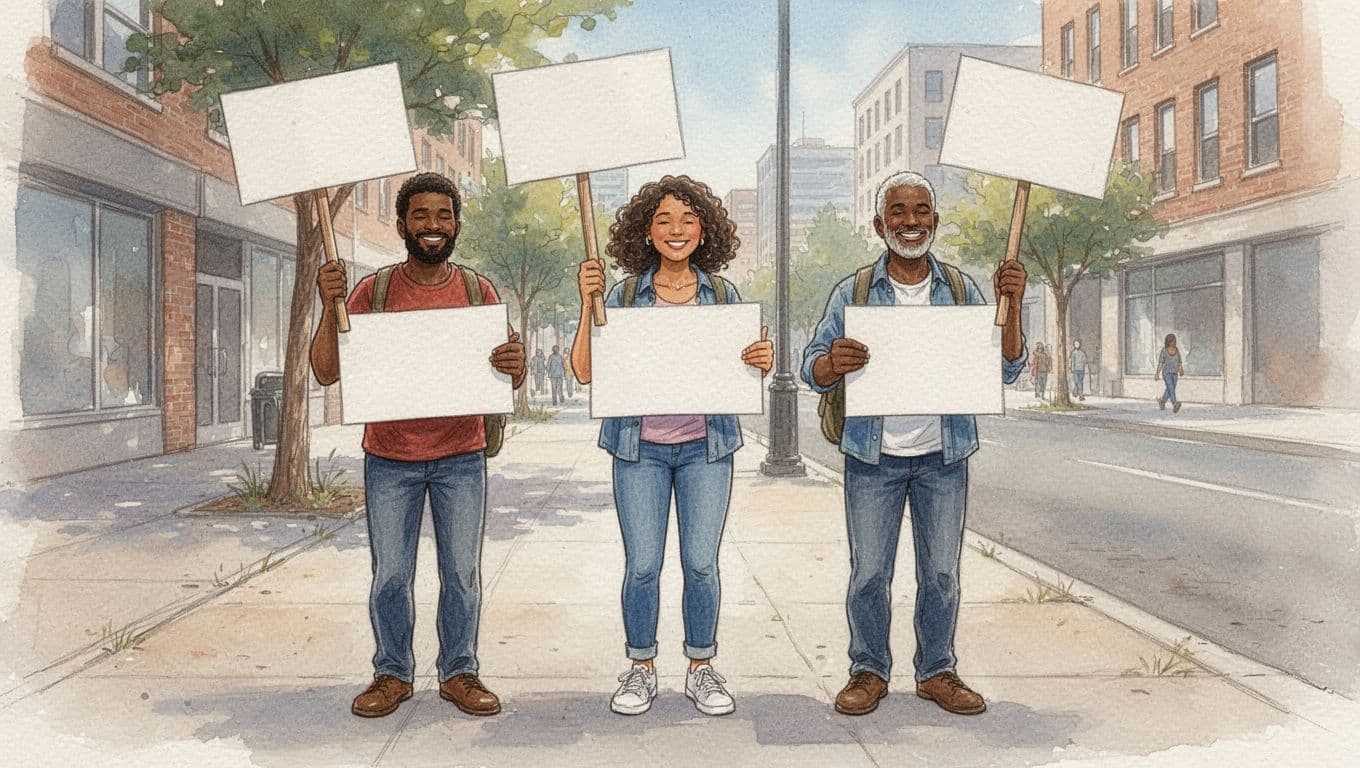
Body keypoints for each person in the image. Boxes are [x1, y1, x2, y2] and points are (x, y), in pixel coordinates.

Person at [801, 171, 1027, 717]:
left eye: (921, 211)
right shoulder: (853, 291)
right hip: (872, 457)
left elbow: (1008, 365)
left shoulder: (961, 289)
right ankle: (869, 670)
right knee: (870, 573)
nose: (910, 222)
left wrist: (1012, 303)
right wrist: (834, 363)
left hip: (942, 456)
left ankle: (937, 671)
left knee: (943, 572)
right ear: (880, 225)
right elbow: (811, 366)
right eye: (898, 213)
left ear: (935, 221)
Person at [310, 172, 526, 719]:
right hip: (389, 457)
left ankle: (459, 671)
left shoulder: (479, 292)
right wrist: (325, 305)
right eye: (422, 215)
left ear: (456, 224)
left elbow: (508, 378)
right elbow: (326, 372)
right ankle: (392, 674)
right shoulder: (372, 292)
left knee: (460, 572)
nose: (433, 226)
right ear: (403, 223)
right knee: (391, 574)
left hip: (461, 456)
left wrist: (514, 366)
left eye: (444, 215)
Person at [570, 175, 773, 717]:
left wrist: (760, 360)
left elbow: (747, 364)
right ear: (646, 230)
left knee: (701, 564)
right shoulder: (623, 296)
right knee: (642, 565)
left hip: (707, 448)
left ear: (705, 229)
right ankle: (641, 668)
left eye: (687, 219)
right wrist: (588, 305)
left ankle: (701, 668)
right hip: (640, 450)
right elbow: (585, 371)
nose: (676, 230)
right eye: (663, 220)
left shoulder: (724, 296)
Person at [1155, 333, 1184, 413]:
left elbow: (1179, 361)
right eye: (1171, 341)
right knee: (1170, 387)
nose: (1173, 343)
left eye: (1174, 341)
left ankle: (1162, 401)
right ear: (1168, 342)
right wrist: (1157, 373)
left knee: (1170, 389)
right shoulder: (1164, 351)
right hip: (1167, 373)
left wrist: (1181, 369)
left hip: (1175, 373)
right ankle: (1175, 403)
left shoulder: (1177, 350)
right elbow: (1161, 363)